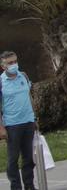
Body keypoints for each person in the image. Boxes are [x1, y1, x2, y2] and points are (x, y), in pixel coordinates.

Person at [1, 51, 38, 190]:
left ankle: (29, 186)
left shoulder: (23, 75)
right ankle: (16, 187)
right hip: (12, 125)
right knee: (13, 159)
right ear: (3, 66)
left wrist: (34, 117)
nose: (13, 65)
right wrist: (1, 128)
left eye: (15, 61)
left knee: (28, 158)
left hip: (28, 122)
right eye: (10, 63)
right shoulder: (1, 82)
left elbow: (29, 96)